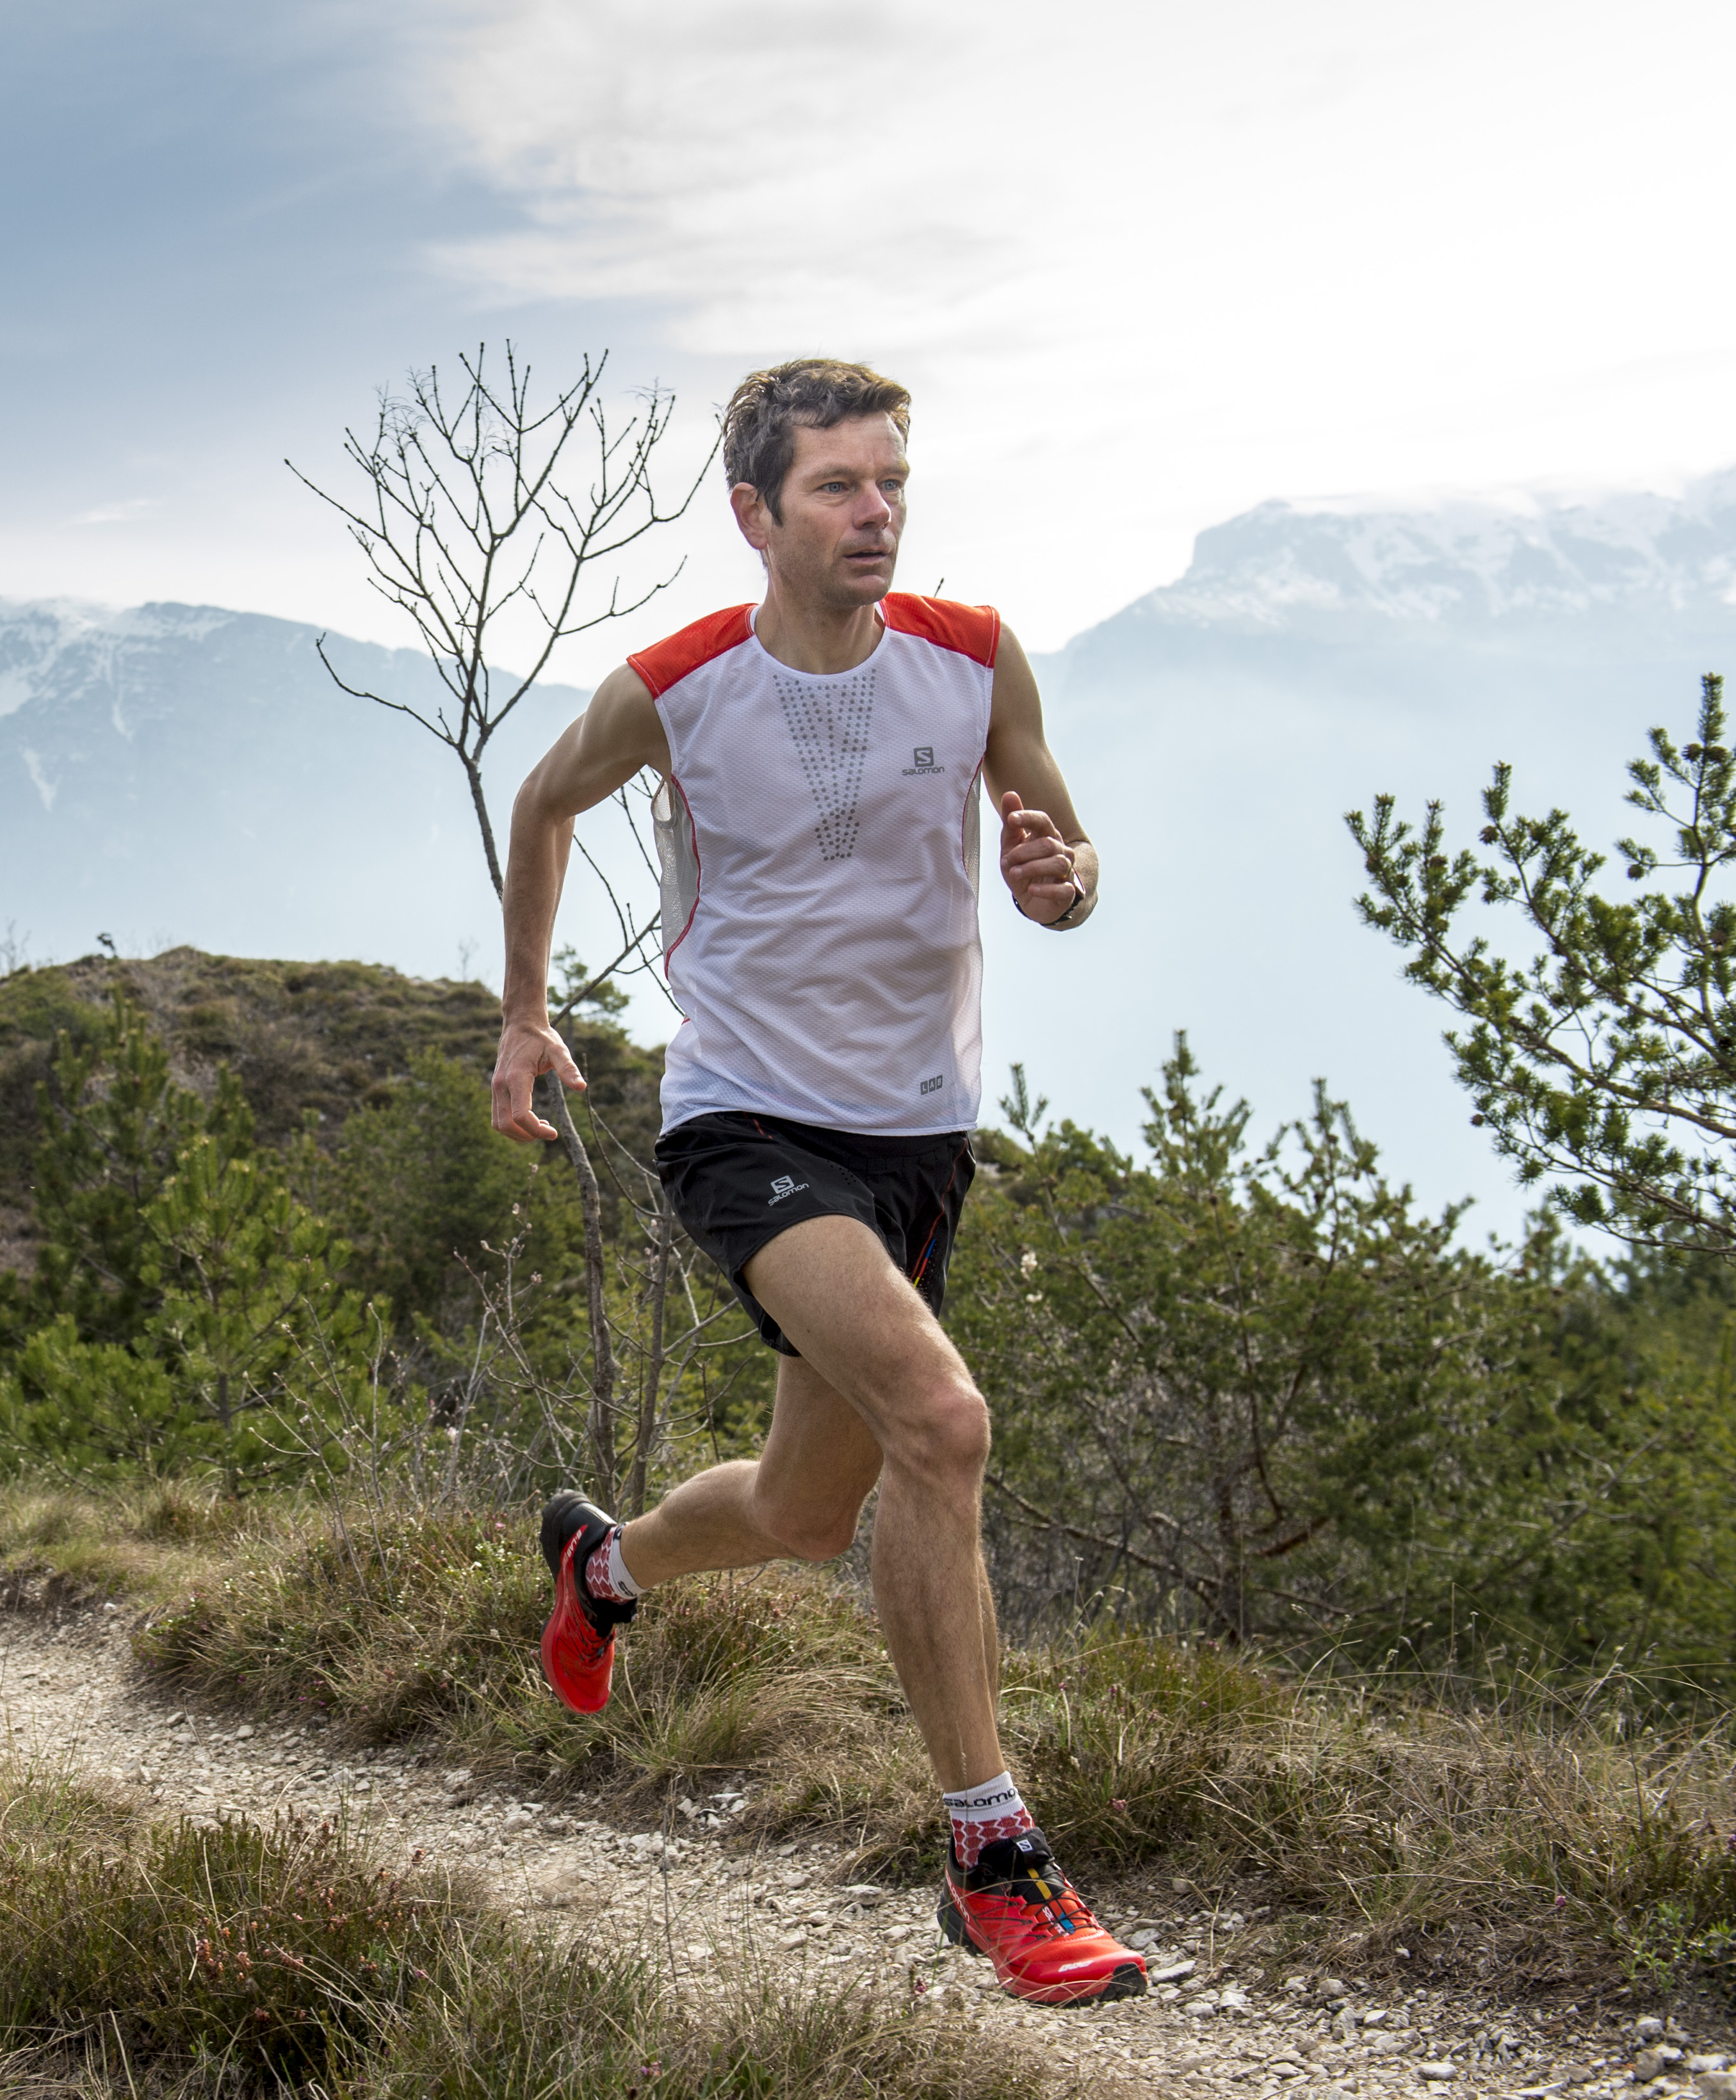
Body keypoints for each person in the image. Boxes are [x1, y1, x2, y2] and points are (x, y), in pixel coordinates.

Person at [489, 357, 1144, 2008]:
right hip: (745, 1123)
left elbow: (1065, 877)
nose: (880, 513)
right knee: (945, 1421)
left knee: (805, 1512)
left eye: (893, 481)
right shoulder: (680, 685)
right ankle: (994, 1855)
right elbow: (544, 804)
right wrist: (522, 1021)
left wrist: (1056, 880)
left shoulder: (974, 661)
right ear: (754, 514)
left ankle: (606, 1568)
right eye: (841, 488)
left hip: (918, 1135)